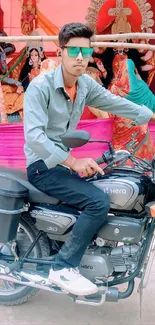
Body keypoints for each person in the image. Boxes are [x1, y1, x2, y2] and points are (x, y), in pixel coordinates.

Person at [24, 22, 155, 297]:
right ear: (61, 52)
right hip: (43, 166)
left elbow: (116, 102)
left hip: (63, 161)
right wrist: (72, 162)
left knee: (114, 184)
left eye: (85, 50)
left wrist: (150, 115)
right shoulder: (40, 87)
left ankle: (90, 250)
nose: (80, 57)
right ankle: (62, 268)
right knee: (98, 201)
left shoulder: (84, 85)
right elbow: (35, 137)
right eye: (74, 51)